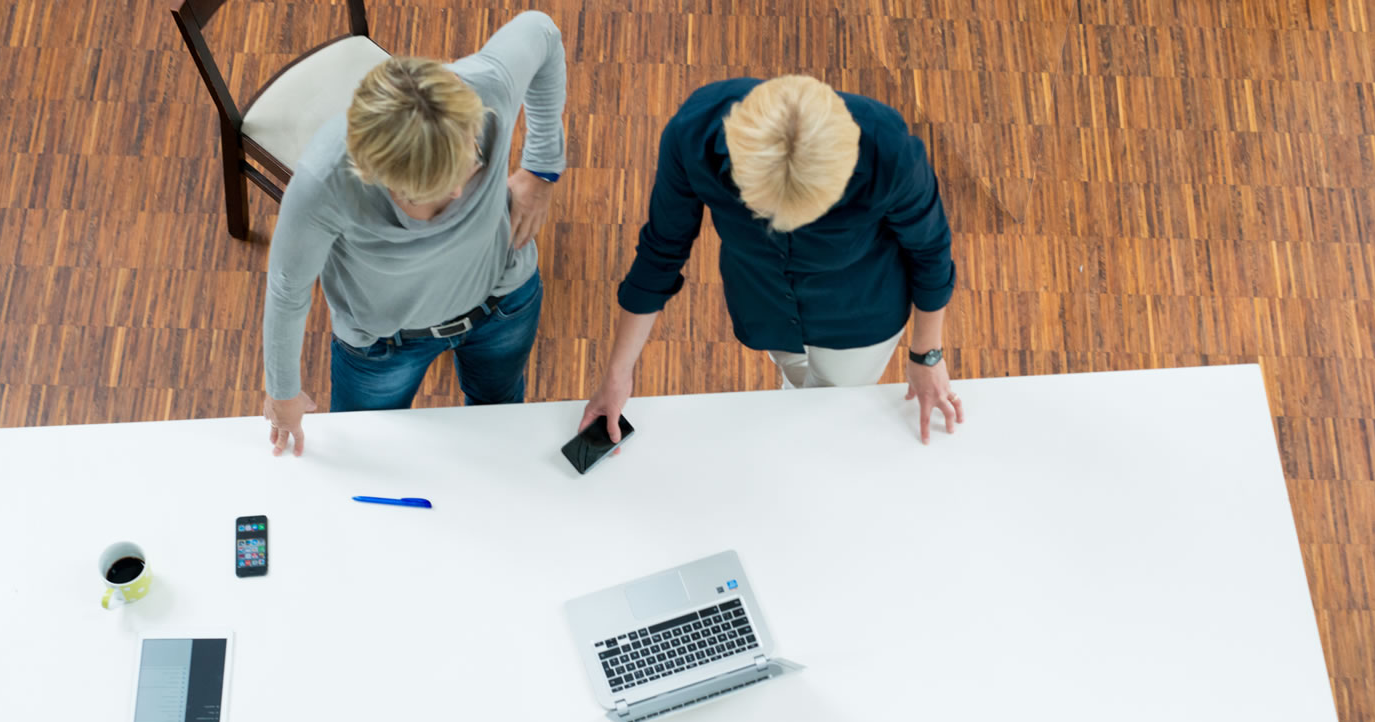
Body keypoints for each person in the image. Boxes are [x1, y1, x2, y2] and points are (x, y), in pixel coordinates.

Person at [581, 75, 963, 446]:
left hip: (858, 321)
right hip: (762, 307)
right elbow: (661, 251)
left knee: (826, 409)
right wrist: (617, 373)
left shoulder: (890, 152)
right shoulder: (692, 132)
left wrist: (926, 355)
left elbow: (930, 250)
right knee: (795, 383)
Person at [263, 11, 566, 456]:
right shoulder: (325, 183)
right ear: (377, 176)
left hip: (503, 307)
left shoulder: (486, 88)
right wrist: (283, 392)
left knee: (498, 434)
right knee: (368, 452)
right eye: (440, 189)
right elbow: (289, 289)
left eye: (472, 163)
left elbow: (541, 31)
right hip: (383, 347)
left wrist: (542, 167)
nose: (464, 190)